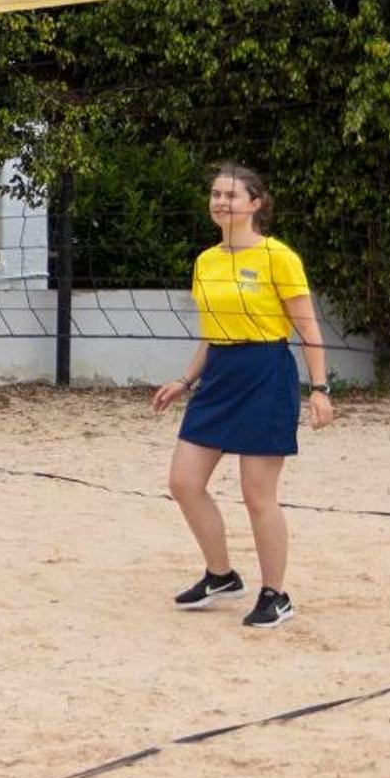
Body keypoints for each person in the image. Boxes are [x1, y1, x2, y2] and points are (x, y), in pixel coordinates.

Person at [152, 162, 335, 628]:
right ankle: (221, 575)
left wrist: (319, 388)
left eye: (230, 195)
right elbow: (211, 332)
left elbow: (308, 328)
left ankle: (276, 595)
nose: (220, 202)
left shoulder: (278, 257)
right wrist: (185, 381)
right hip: (219, 375)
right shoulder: (206, 261)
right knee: (184, 482)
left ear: (255, 203)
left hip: (265, 373)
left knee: (257, 494)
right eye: (215, 194)